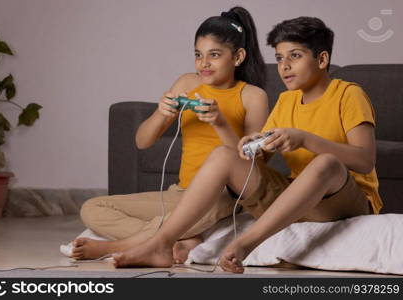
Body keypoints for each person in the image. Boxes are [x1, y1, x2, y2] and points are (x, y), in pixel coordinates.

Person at [111, 16, 383, 273]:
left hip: (346, 199)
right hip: (297, 198)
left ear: (322, 59)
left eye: (295, 56)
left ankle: (245, 244)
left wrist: (305, 139)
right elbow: (255, 163)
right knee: (223, 155)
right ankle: (161, 243)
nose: (284, 66)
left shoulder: (348, 94)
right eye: (279, 58)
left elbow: (364, 160)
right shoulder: (287, 101)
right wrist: (253, 143)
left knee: (326, 162)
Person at [71, 6, 269, 263]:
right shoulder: (187, 83)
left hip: (223, 197)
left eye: (214, 55)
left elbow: (254, 164)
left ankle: (119, 246)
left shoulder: (253, 96)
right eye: (198, 54)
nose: (204, 63)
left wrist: (220, 122)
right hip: (181, 192)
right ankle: (185, 238)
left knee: (180, 216)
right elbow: (142, 142)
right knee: (93, 208)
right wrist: (161, 115)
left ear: (238, 56)